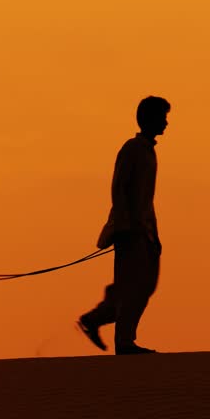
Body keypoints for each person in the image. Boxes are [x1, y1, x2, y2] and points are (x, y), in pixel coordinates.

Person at [77, 96, 170, 355]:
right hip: (131, 231)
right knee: (134, 288)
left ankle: (96, 319)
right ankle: (124, 342)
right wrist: (125, 226)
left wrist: (153, 233)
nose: (166, 122)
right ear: (149, 119)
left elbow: (145, 199)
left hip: (146, 231)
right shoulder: (132, 148)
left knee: (143, 286)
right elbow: (118, 188)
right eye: (162, 117)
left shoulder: (149, 151)